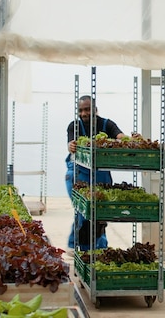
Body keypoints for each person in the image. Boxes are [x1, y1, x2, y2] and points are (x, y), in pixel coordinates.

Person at [65, 95, 132, 253]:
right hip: (77, 174)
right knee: (84, 211)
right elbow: (70, 143)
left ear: (95, 109)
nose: (84, 113)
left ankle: (99, 248)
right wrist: (71, 145)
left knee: (99, 214)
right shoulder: (73, 125)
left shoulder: (107, 124)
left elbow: (119, 135)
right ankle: (80, 247)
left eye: (87, 109)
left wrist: (128, 140)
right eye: (81, 110)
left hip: (100, 174)